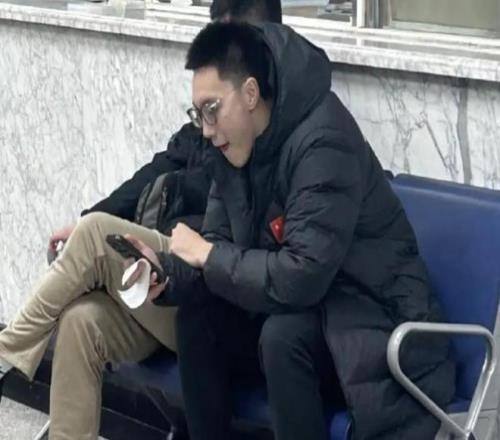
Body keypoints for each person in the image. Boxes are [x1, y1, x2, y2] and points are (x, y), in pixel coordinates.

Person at [152, 22, 457, 440]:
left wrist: (207, 255)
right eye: (198, 113)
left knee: (283, 337)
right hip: (309, 309)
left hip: (371, 317)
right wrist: (166, 273)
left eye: (212, 109)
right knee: (198, 319)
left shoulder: (324, 141)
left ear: (250, 94)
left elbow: (301, 276)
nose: (205, 128)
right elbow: (219, 248)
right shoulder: (232, 146)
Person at [0, 2, 283, 439]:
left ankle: (6, 353)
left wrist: (100, 226)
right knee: (81, 322)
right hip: (164, 286)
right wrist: (90, 217)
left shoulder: (269, 131)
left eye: (223, 46)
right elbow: (153, 173)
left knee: (96, 234)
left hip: (212, 306)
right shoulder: (206, 124)